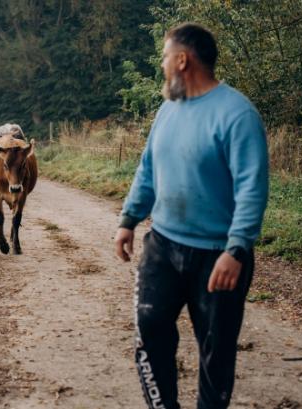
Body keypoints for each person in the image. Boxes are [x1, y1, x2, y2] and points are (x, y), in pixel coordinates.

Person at [114, 23, 269, 409]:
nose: (162, 65)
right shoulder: (168, 109)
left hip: (217, 257)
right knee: (150, 331)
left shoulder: (237, 115)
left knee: (216, 353)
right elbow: (148, 169)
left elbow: (252, 188)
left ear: (183, 60)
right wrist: (128, 219)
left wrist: (236, 250)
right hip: (163, 246)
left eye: (166, 57)